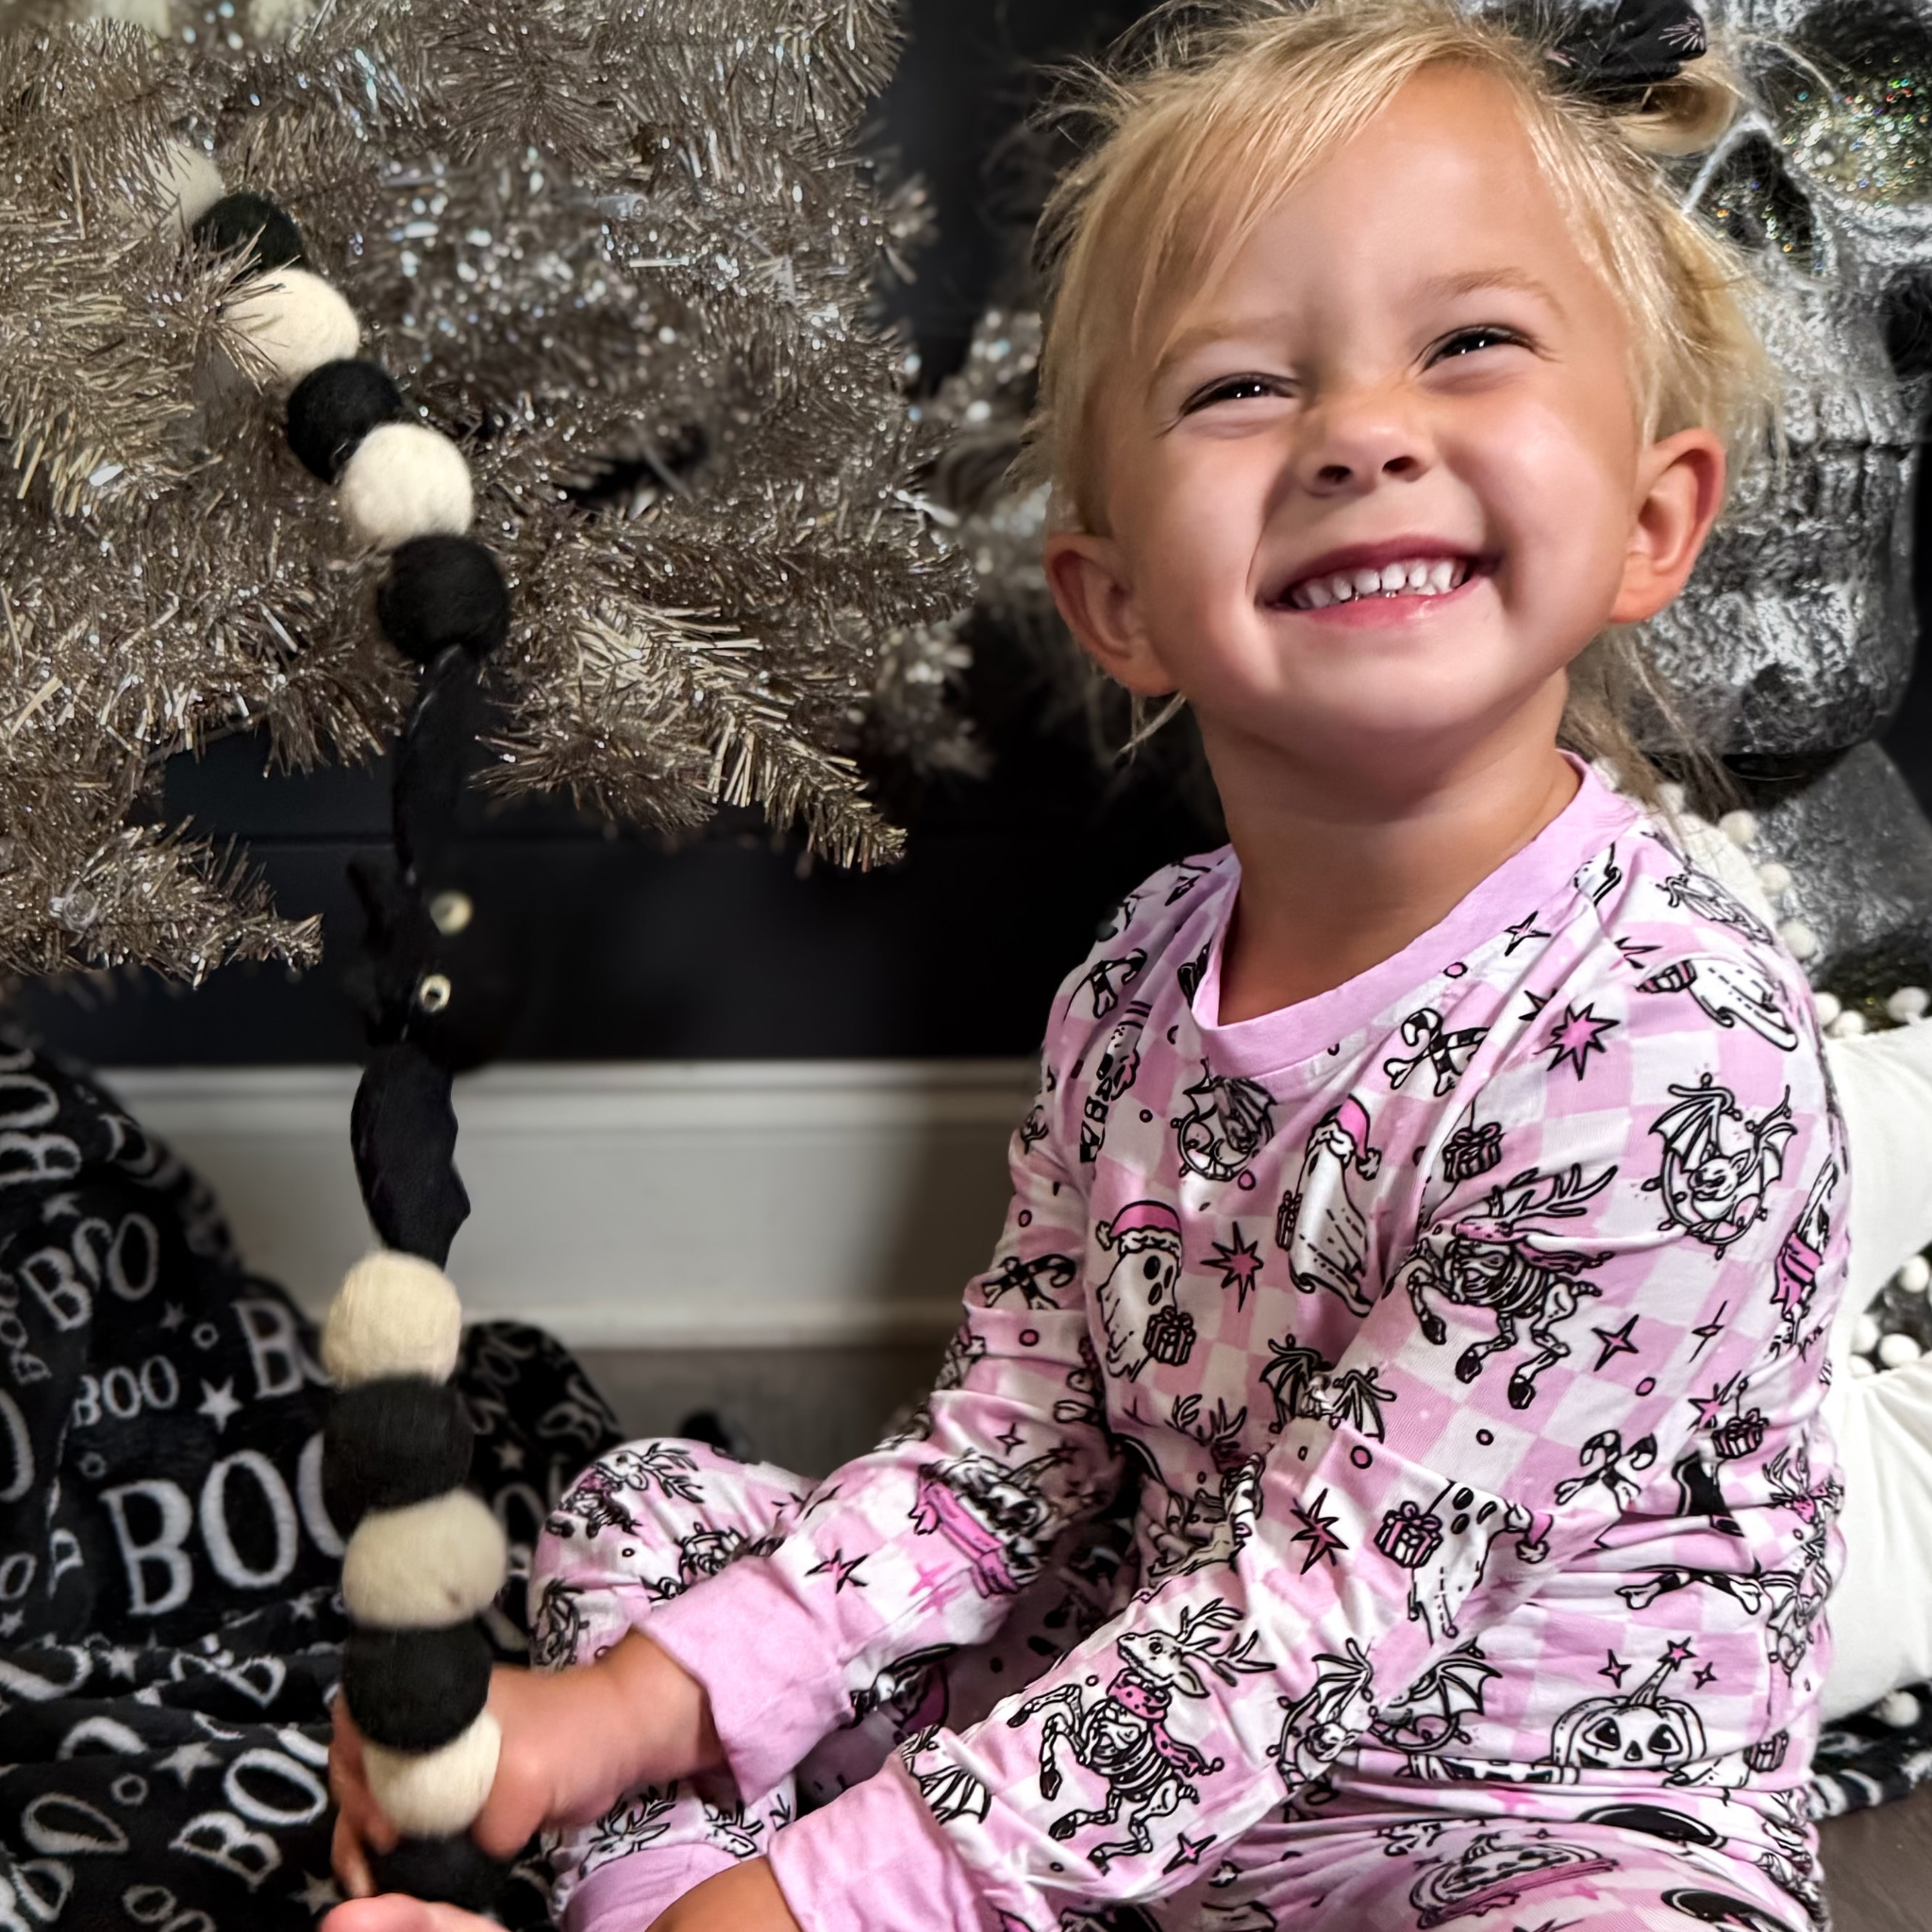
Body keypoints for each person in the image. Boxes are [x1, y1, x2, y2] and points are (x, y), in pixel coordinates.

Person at [325, 4, 1847, 1928]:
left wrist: (829, 1897)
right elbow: (1008, 1453)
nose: (1363, 432)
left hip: (1509, 1828)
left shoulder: (1661, 1044)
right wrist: (617, 1714)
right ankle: (678, 1876)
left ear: (1649, 522)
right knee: (649, 1526)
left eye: (1467, 345)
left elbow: (1317, 1616)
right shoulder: (1135, 981)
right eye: (1237, 387)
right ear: (1116, 603)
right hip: (1136, 1728)